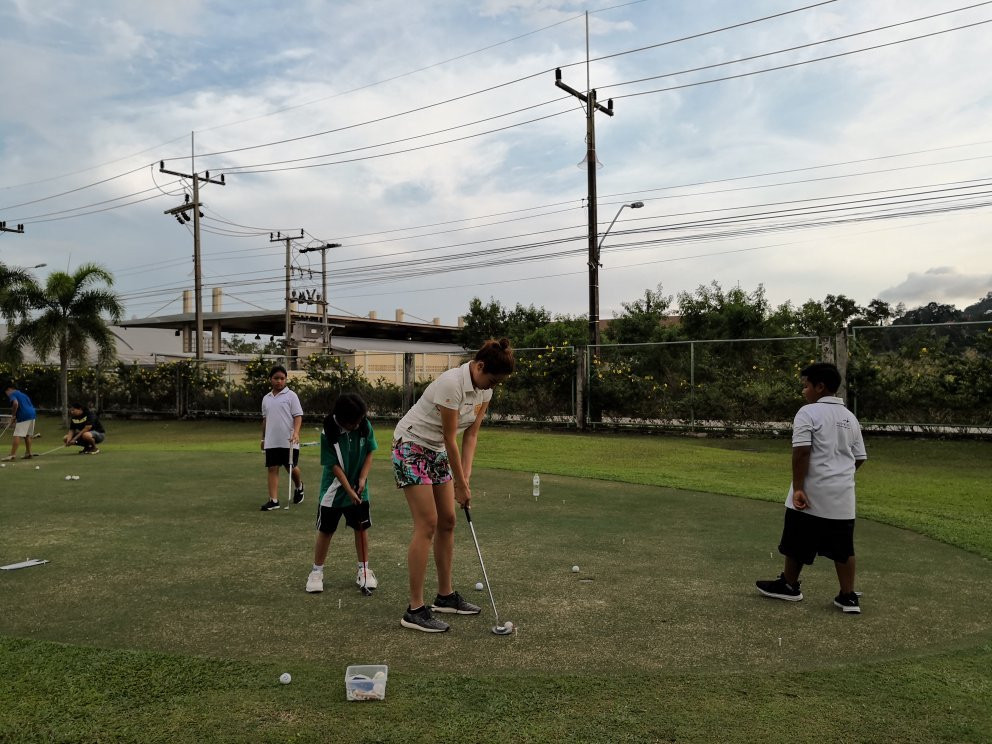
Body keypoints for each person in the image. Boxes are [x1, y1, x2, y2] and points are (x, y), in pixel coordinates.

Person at [392, 338, 515, 632]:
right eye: (492, 380)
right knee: (428, 523)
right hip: (411, 445)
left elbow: (470, 436)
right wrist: (458, 483)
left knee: (448, 520)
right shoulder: (451, 384)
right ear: (480, 366)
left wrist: (466, 477)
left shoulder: (484, 392)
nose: (493, 387)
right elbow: (450, 437)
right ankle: (415, 609)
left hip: (435, 451)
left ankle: (445, 596)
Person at [756, 362, 868, 614]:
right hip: (842, 497)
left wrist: (798, 488)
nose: (803, 391)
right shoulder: (850, 418)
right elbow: (859, 457)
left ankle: (789, 585)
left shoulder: (808, 413)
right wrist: (840, 475)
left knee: (796, 540)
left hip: (810, 494)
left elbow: (801, 452)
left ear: (820, 387)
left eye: (806, 386)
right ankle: (848, 597)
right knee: (843, 548)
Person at [305, 392, 378, 594]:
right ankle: (316, 572)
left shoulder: (364, 425)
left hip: (359, 487)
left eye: (359, 420)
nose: (356, 425)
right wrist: (348, 489)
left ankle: (364, 570)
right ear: (341, 417)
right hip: (333, 490)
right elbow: (334, 466)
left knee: (361, 528)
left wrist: (362, 479)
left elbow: (370, 451)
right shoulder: (328, 432)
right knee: (326, 530)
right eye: (352, 422)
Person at [260, 365, 305, 511]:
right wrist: (263, 438)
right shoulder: (266, 399)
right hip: (272, 440)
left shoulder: (291, 396)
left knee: (290, 467)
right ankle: (273, 500)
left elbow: (298, 416)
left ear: (285, 380)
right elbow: (265, 420)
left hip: (289, 440)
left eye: (282, 378)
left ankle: (299, 486)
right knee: (272, 468)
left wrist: (296, 433)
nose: (279, 381)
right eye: (276, 378)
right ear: (270, 380)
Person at [3, 383, 37, 461]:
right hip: (32, 414)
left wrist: (13, 416)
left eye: (6, 393)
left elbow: (15, 403)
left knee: (17, 434)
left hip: (24, 415)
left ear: (9, 389)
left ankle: (12, 455)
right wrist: (15, 416)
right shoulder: (24, 395)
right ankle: (28, 453)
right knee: (27, 435)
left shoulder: (12, 394)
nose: (7, 395)